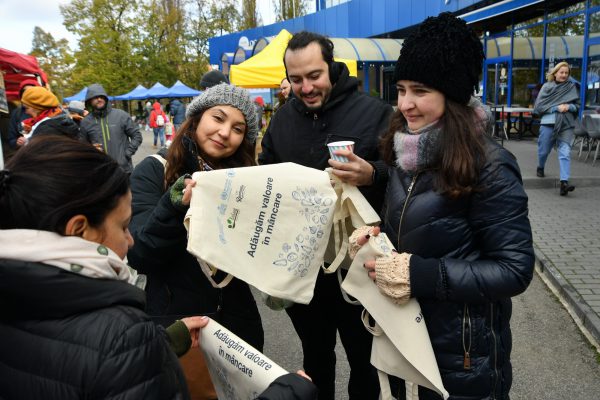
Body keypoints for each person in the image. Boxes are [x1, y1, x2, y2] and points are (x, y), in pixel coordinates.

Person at [0, 135, 318, 400]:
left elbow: (76, 365)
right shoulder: (122, 333)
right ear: (79, 228)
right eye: (124, 226)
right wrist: (289, 392)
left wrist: (162, 345)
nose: (130, 240)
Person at [349, 13, 534, 400]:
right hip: (406, 335)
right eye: (400, 89)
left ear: (451, 94)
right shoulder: (404, 151)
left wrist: (419, 274)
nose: (405, 104)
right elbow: (417, 228)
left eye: (420, 91)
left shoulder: (492, 164)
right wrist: (377, 239)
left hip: (465, 358)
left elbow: (514, 270)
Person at [259, 30, 393, 400]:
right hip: (304, 269)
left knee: (365, 361)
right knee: (315, 358)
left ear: (332, 67)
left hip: (359, 267)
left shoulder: (375, 112)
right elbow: (266, 177)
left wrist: (374, 173)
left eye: (314, 75)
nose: (305, 87)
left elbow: (406, 177)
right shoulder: (282, 121)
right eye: (296, 79)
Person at [128, 83, 264, 350]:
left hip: (238, 325)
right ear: (197, 117)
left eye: (238, 129)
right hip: (177, 325)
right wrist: (174, 207)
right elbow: (140, 254)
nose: (225, 133)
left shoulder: (248, 180)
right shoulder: (155, 171)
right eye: (218, 118)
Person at [533, 61, 580, 196]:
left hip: (566, 124)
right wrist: (556, 108)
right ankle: (540, 166)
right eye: (561, 72)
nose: (564, 75)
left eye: (566, 73)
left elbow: (577, 105)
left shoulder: (571, 87)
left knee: (565, 152)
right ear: (555, 73)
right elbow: (539, 107)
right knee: (543, 151)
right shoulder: (546, 87)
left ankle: (564, 183)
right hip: (548, 122)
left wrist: (569, 107)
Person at [80, 83, 143, 174]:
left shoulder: (121, 115)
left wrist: (127, 154)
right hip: (100, 172)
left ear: (105, 98)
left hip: (123, 171)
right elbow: (82, 146)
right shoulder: (86, 122)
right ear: (89, 100)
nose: (99, 99)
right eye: (95, 97)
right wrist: (91, 150)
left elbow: (137, 135)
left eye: (101, 96)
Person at [7, 79, 41, 150]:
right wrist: (17, 142)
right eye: (25, 91)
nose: (28, 94)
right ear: (21, 95)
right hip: (27, 154)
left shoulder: (49, 110)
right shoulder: (17, 113)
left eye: (32, 91)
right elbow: (11, 139)